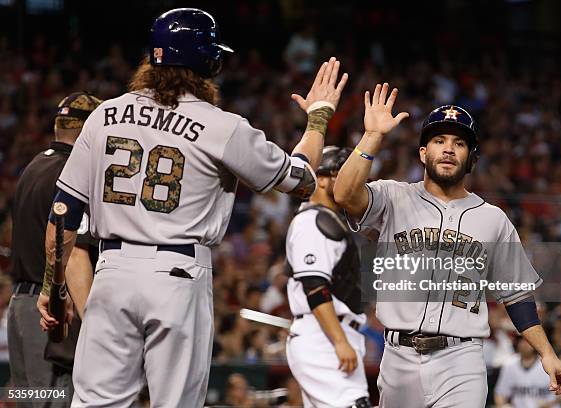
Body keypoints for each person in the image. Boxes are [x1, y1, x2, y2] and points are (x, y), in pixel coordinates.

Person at [40, 8, 348, 407]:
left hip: (111, 272)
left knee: (95, 403)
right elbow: (301, 180)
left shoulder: (104, 116)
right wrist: (318, 118)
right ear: (208, 62)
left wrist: (53, 288)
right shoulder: (221, 125)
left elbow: (62, 214)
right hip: (177, 276)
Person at [334, 83, 561, 407]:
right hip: (398, 358)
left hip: (462, 359)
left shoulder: (493, 219)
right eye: (438, 140)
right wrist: (372, 136)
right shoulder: (393, 197)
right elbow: (344, 194)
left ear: (471, 158)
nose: (448, 149)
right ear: (423, 152)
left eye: (459, 143)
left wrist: (547, 353)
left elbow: (516, 295)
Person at [8, 91, 101, 406]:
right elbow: (76, 253)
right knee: (54, 400)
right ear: (90, 130)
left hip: (20, 306)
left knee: (29, 399)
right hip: (50, 312)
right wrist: (92, 324)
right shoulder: (72, 174)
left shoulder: (33, 166)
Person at [285, 146, 371, 407]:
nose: (349, 182)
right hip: (322, 335)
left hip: (330, 333)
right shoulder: (313, 221)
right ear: (320, 179)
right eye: (339, 174)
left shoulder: (330, 219)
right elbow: (315, 287)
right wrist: (339, 341)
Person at [495, 337, 561, 408]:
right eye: (521, 340)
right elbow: (500, 394)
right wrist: (503, 405)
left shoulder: (548, 363)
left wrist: (549, 404)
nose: (524, 344)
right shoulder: (509, 364)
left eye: (528, 341)